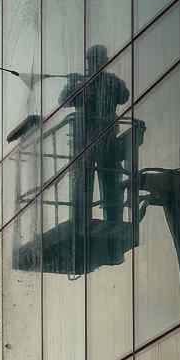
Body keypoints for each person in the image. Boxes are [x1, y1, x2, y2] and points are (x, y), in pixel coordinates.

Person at [60, 44, 132, 227]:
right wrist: (76, 85)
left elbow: (124, 96)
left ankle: (97, 219)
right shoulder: (98, 83)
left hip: (99, 141)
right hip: (90, 142)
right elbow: (64, 101)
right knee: (92, 179)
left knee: (100, 178)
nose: (95, 64)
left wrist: (79, 85)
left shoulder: (107, 82)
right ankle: (100, 219)